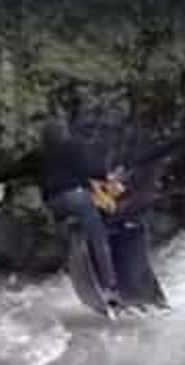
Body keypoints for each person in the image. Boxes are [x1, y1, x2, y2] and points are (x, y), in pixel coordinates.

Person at [39, 118, 122, 305]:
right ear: (65, 132)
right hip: (75, 197)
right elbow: (89, 169)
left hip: (53, 202)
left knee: (66, 235)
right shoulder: (72, 146)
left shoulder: (43, 154)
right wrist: (107, 176)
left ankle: (75, 265)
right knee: (99, 238)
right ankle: (110, 287)